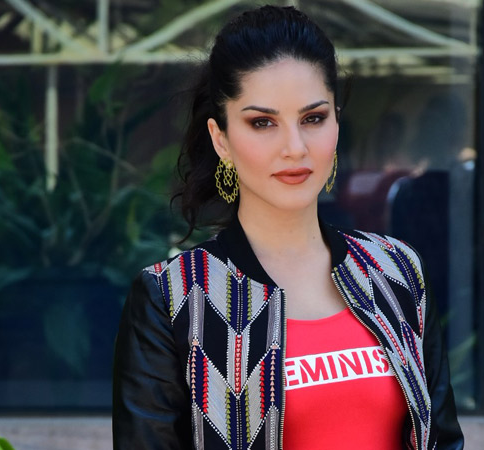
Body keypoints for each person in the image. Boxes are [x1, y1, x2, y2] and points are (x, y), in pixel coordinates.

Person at [112, 5, 463, 450]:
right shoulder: (176, 297)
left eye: (313, 118)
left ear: (337, 121)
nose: (295, 147)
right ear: (221, 139)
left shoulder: (395, 272)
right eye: (263, 123)